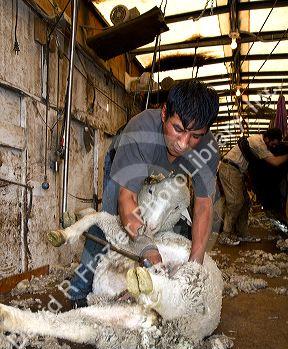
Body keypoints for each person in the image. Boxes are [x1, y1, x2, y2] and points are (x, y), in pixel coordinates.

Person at [69, 80, 219, 307]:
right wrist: (149, 252)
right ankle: (78, 289)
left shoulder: (207, 149)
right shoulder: (141, 130)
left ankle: (150, 286)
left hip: (164, 174)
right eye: (177, 129)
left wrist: (194, 268)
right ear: (164, 113)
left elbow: (204, 206)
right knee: (109, 223)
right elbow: (126, 198)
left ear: (205, 132)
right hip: (126, 163)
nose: (183, 143)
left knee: (165, 222)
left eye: (196, 135)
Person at [218, 128, 288, 246]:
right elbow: (275, 162)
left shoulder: (259, 143)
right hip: (229, 168)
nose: (274, 146)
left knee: (245, 203)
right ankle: (224, 235)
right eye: (273, 143)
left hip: (237, 171)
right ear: (267, 138)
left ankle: (242, 234)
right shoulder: (258, 143)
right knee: (236, 202)